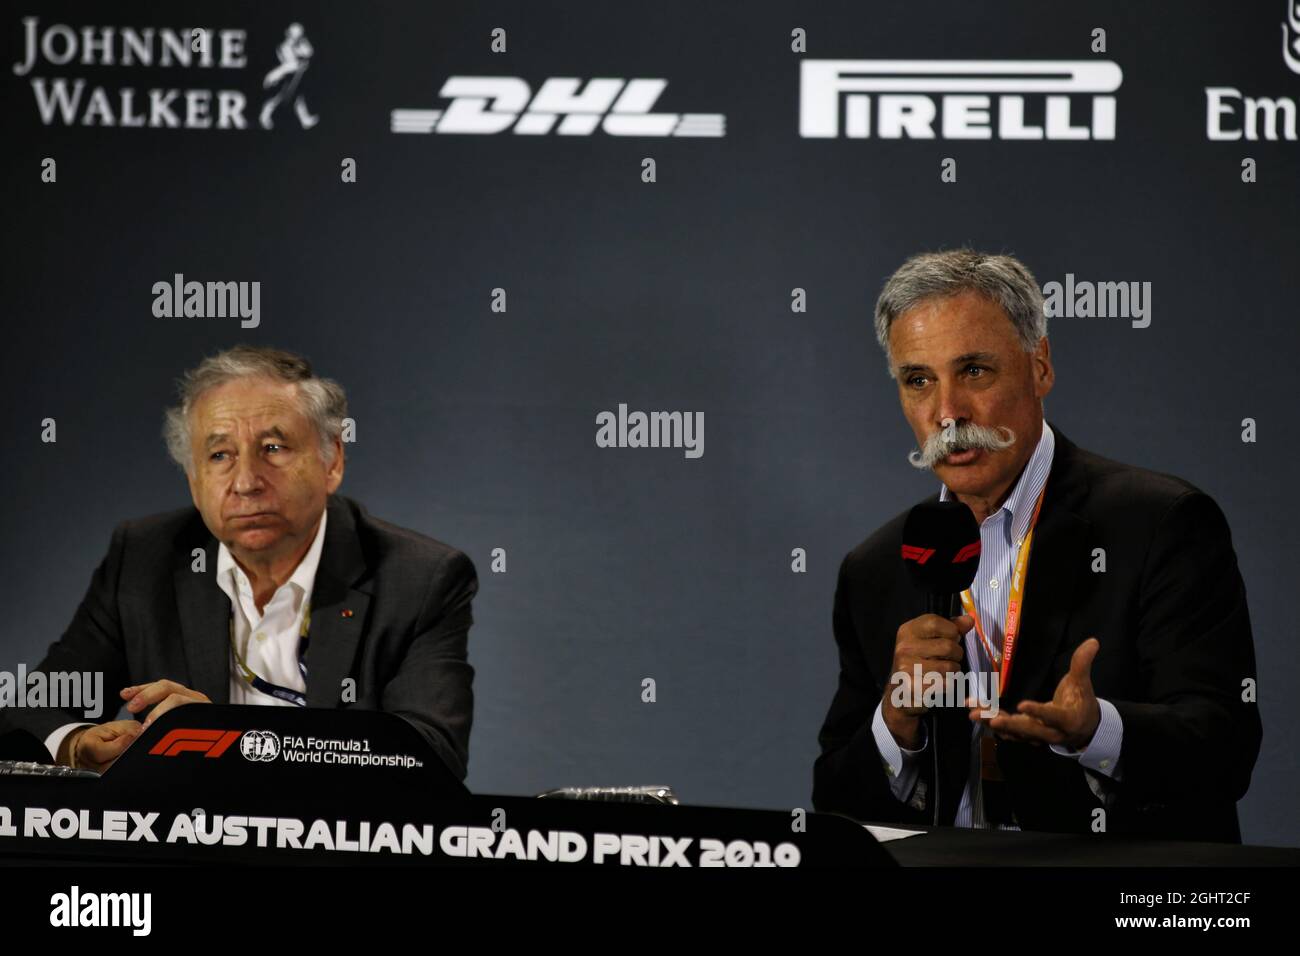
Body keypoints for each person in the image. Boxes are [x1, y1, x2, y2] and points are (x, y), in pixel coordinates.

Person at [812, 249, 1261, 841]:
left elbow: (1224, 747)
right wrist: (896, 722)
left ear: (1040, 366)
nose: (947, 413)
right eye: (918, 380)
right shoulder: (875, 568)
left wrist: (1097, 731)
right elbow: (833, 806)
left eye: (973, 370)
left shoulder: (1161, 523)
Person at [8, 345, 476, 778]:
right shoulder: (145, 559)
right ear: (194, 481)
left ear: (332, 460)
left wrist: (222, 733)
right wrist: (75, 742)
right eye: (219, 455)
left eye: (273, 448)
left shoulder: (420, 578)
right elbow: (36, 708)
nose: (246, 481)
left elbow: (431, 752)